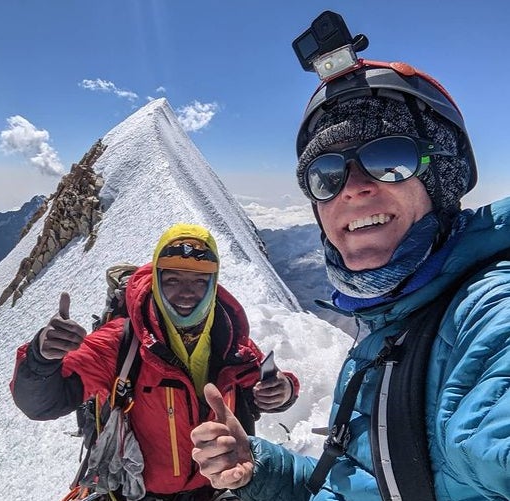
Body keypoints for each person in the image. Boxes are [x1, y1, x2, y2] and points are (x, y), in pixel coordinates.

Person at [190, 17, 510, 501]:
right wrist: (262, 467)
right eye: (326, 173)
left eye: (390, 158)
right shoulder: (396, 323)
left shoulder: (486, 317)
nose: (355, 187)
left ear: (440, 179)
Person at [11, 223, 299, 501]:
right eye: (173, 280)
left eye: (199, 281)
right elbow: (42, 404)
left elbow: (261, 386)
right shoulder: (120, 343)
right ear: (156, 281)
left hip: (217, 489)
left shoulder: (230, 340)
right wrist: (41, 358)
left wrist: (284, 389)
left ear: (213, 285)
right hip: (140, 494)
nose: (187, 293)